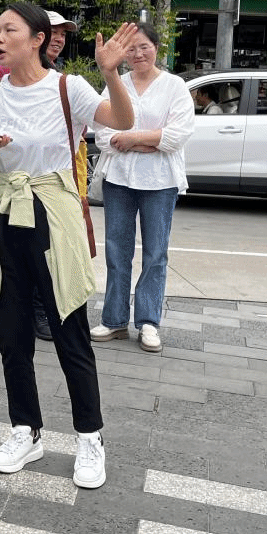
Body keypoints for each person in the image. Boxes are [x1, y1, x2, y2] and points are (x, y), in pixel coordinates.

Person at [0, 3, 136, 490]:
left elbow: (121, 120)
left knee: (69, 329)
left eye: (10, 30)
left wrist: (111, 73)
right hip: (8, 211)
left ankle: (90, 436)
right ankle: (26, 430)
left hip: (54, 215)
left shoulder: (67, 87)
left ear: (37, 39)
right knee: (12, 331)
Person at [90, 22, 195, 355]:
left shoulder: (174, 86)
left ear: (156, 48)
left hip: (160, 182)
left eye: (144, 47)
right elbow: (103, 134)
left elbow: (177, 135)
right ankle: (114, 319)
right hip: (119, 180)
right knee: (116, 251)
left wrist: (132, 138)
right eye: (131, 49)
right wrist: (150, 142)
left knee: (155, 253)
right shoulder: (116, 84)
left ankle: (149, 321)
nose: (137, 54)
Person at [0, 10, 79, 344]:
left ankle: (39, 311)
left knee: (43, 253)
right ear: (38, 37)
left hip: (50, 188)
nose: (59, 38)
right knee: (3, 253)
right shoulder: (1, 77)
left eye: (64, 33)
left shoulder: (63, 83)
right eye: (54, 31)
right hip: (12, 184)